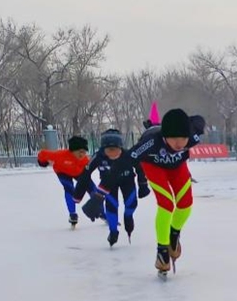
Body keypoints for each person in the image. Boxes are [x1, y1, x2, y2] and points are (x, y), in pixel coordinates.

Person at [121, 108, 206, 272]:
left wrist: (183, 121)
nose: (180, 144)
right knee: (166, 204)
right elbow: (124, 161)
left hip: (177, 166)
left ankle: (173, 236)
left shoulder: (192, 135)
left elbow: (199, 119)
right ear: (165, 136)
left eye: (183, 139)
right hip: (154, 166)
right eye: (174, 139)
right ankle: (162, 252)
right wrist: (100, 192)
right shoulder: (150, 142)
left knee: (186, 204)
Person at [73, 129, 149, 246]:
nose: (113, 154)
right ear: (103, 149)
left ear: (121, 148)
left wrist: (143, 185)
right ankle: (113, 231)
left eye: (116, 150)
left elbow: (140, 168)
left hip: (127, 181)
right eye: (109, 150)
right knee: (112, 207)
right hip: (108, 185)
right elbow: (85, 174)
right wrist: (78, 195)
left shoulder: (128, 155)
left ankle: (128, 217)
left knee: (131, 203)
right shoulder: (98, 156)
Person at [37, 136, 89, 227]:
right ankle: (73, 215)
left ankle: (103, 212)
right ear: (72, 151)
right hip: (62, 172)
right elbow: (42, 153)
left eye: (84, 152)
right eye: (80, 152)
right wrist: (42, 162)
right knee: (70, 189)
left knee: (92, 188)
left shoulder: (85, 160)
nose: (82, 155)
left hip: (78, 172)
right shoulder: (60, 155)